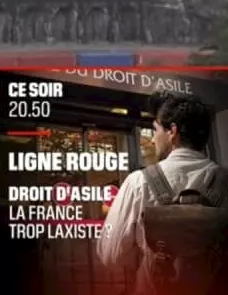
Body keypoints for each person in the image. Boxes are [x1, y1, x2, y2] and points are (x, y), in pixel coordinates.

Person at [96, 92, 227, 294]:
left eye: (155, 130)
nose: (153, 139)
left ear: (172, 131)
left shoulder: (138, 182)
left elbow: (111, 255)